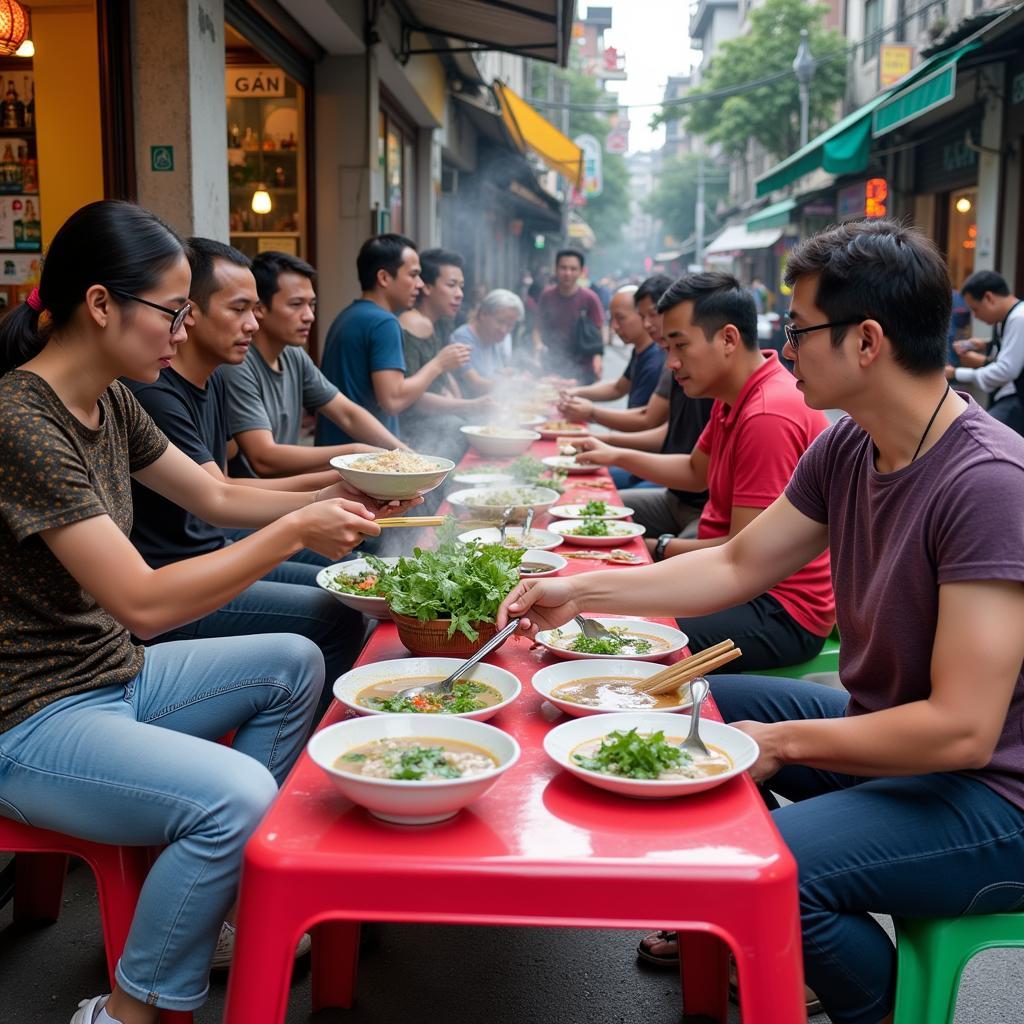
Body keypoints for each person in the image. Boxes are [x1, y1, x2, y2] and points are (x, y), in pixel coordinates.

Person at [499, 218, 1024, 1024]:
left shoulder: (987, 483)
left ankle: (873, 1007)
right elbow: (741, 564)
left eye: (800, 328)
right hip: (886, 729)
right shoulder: (848, 447)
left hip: (991, 797)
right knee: (697, 704)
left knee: (766, 863)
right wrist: (580, 592)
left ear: (867, 341)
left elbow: (959, 731)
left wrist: (778, 746)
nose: (785, 347)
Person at [0, 200, 381, 1024]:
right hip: (29, 716)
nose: (181, 333)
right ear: (101, 304)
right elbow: (139, 600)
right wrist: (294, 530)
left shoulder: (113, 398)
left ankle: (220, 900)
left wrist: (343, 487)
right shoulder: (20, 422)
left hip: (110, 676)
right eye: (172, 311)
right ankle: (128, 1012)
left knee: (295, 664)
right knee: (234, 794)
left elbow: (212, 492)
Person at [128, 238, 404, 710]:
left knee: (351, 578)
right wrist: (327, 493)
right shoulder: (147, 392)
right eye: (239, 309)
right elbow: (222, 494)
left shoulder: (210, 376)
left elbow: (219, 492)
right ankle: (332, 736)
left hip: (213, 550)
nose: (252, 325)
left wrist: (338, 490)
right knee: (337, 609)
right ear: (187, 313)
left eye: (255, 309)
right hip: (180, 579)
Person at [565, 272, 834, 671]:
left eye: (680, 346)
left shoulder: (767, 414)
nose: (671, 363)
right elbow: (694, 471)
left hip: (778, 608)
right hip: (735, 573)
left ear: (728, 339)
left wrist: (654, 549)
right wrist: (613, 455)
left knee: (629, 633)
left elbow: (740, 556)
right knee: (601, 527)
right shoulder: (735, 395)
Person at [219, 250, 404, 480]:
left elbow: (348, 414)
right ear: (260, 309)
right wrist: (354, 452)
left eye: (312, 304)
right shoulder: (238, 364)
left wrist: (404, 455)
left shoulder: (294, 354)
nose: (309, 316)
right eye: (296, 304)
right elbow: (264, 458)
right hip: (258, 504)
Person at [316, 234, 470, 445]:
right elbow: (392, 399)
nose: (420, 284)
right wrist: (439, 364)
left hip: (339, 453)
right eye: (413, 275)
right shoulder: (384, 323)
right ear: (384, 278)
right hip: (366, 461)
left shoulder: (347, 315)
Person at [397, 248, 492, 456]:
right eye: (451, 285)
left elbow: (446, 375)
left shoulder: (442, 322)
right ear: (427, 287)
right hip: (412, 431)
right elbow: (412, 400)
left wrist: (463, 405)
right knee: (456, 426)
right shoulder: (410, 324)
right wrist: (470, 405)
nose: (459, 294)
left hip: (439, 417)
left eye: (461, 286)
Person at [557, 285, 665, 418]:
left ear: (641, 315)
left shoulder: (655, 361)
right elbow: (618, 388)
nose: (614, 327)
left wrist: (592, 413)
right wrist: (574, 392)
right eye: (612, 319)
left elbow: (645, 420)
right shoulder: (640, 351)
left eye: (620, 318)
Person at [948, 269, 1024, 436]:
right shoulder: (1007, 318)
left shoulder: (1019, 318)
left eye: (975, 309)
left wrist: (956, 373)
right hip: (1011, 396)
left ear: (989, 298)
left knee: (980, 435)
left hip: (1016, 399)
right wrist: (983, 344)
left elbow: (1006, 370)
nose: (975, 316)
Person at [534, 247, 604, 384]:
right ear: (556, 269)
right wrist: (538, 347)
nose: (567, 273)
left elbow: (599, 330)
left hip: (584, 367)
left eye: (573, 269)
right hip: (553, 364)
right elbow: (537, 328)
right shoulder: (547, 296)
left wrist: (598, 358)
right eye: (563, 268)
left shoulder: (590, 298)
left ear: (581, 271)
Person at [451, 288, 525, 394]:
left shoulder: (493, 338)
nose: (504, 330)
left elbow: (492, 372)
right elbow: (476, 383)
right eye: (500, 321)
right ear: (483, 314)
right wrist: (512, 385)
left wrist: (505, 374)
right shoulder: (463, 338)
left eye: (510, 325)